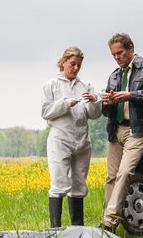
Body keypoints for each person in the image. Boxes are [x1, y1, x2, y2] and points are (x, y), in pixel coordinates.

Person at [100, 33, 143, 231]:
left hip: (136, 130)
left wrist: (131, 95)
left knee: (124, 173)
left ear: (130, 48)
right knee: (111, 177)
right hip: (116, 130)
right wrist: (107, 103)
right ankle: (107, 216)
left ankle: (108, 223)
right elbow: (106, 112)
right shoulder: (114, 75)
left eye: (120, 53)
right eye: (113, 55)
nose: (117, 57)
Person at [41, 46, 102, 227]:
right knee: (59, 181)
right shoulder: (52, 85)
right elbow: (45, 112)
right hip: (60, 139)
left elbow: (95, 114)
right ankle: (55, 230)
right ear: (64, 62)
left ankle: (77, 228)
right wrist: (65, 103)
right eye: (72, 64)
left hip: (82, 139)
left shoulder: (86, 86)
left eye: (79, 65)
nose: (75, 68)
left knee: (78, 182)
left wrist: (94, 101)